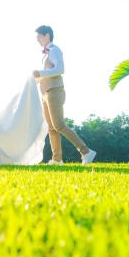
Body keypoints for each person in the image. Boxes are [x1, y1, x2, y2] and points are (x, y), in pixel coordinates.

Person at [33, 25, 97, 165]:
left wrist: (40, 73)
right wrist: (34, 79)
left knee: (59, 125)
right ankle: (57, 159)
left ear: (47, 35)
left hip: (55, 92)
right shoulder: (45, 53)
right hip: (45, 94)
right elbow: (45, 74)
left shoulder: (54, 50)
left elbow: (60, 69)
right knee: (51, 128)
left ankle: (86, 151)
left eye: (39, 37)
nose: (37, 40)